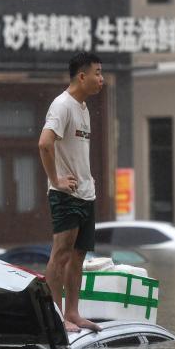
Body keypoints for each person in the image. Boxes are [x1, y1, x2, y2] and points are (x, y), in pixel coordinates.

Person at [38, 52, 104, 333]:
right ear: (82, 76)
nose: (102, 79)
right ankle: (55, 315)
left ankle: (73, 312)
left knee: (79, 255)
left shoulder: (84, 108)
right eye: (98, 73)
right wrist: (56, 180)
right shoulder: (62, 105)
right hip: (66, 194)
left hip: (86, 193)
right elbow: (44, 144)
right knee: (61, 253)